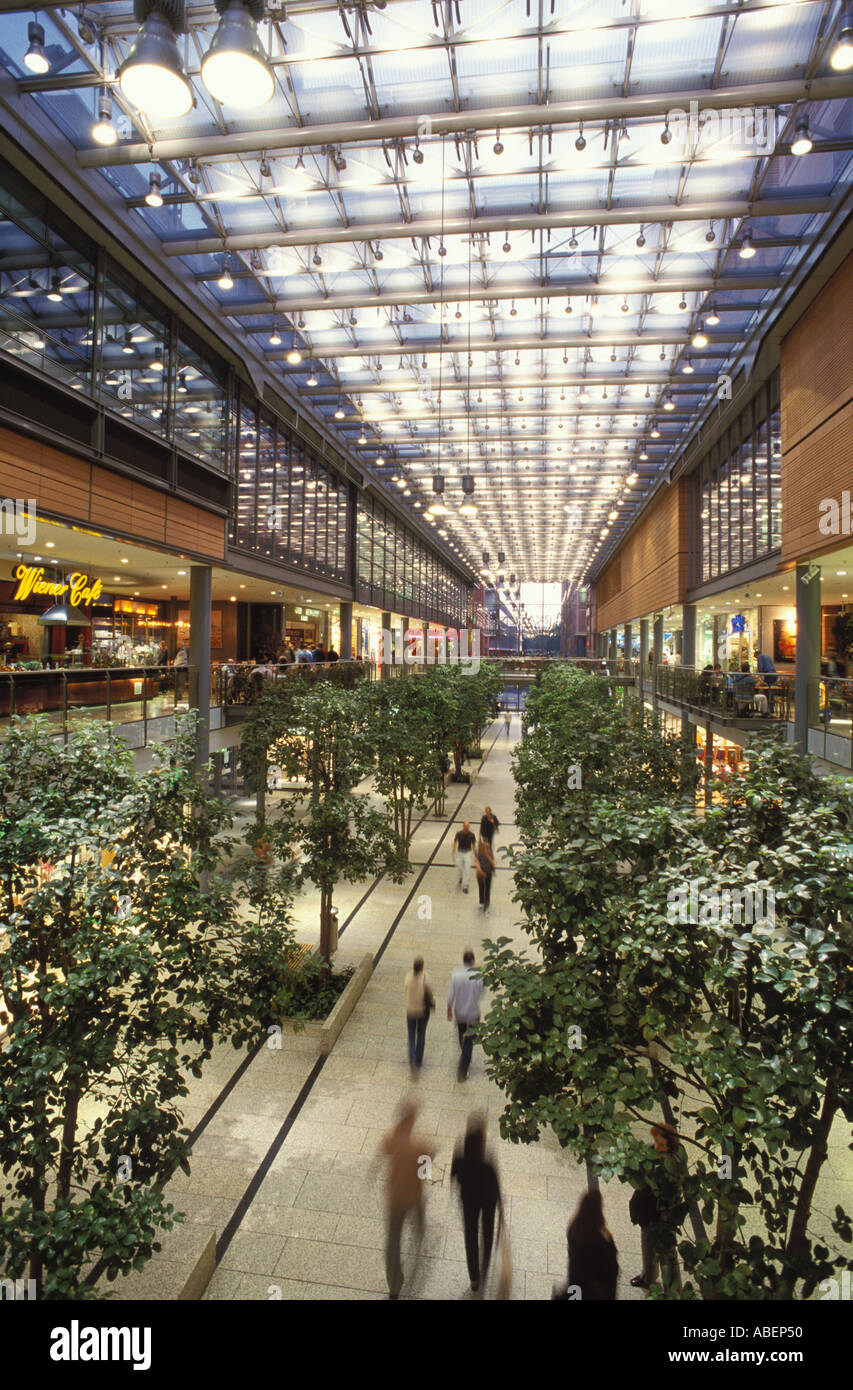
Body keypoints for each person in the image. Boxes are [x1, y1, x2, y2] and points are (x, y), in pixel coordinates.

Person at [377, 1100, 436, 1300]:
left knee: (393, 1240)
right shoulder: (420, 1146)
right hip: (413, 1195)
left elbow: (383, 1154)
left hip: (394, 1196)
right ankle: (419, 1229)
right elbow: (425, 1171)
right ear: (412, 1119)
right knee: (418, 1213)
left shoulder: (390, 1138)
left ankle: (394, 1284)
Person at [629, 1123, 685, 1293]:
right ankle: (648, 1277)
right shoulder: (649, 1150)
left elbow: (675, 1194)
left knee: (667, 1254)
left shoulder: (673, 1165)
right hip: (646, 1210)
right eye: (656, 1142)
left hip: (662, 1215)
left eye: (661, 1145)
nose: (657, 1147)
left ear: (670, 1145)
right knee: (647, 1247)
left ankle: (674, 1291)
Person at [450, 1113, 503, 1292]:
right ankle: (485, 1265)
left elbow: (453, 1176)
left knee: (470, 1236)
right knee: (487, 1232)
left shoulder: (460, 1156)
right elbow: (495, 1184)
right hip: (488, 1202)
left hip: (468, 1201)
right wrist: (501, 1205)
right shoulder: (487, 1160)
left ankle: (474, 1278)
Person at [565, 1189, 619, 1300]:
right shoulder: (602, 1239)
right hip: (595, 1289)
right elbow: (611, 1268)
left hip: (576, 1282)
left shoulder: (574, 1228)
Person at [447, 949, 484, 1082]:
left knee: (462, 1036)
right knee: (470, 1040)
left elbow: (451, 994)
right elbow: (482, 993)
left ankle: (464, 1057)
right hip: (473, 1012)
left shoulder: (456, 974)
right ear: (473, 961)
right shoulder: (479, 975)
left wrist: (449, 1008)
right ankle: (463, 1068)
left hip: (460, 1012)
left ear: (463, 961)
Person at [404, 956, 433, 1071]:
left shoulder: (408, 977)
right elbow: (430, 993)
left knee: (411, 1035)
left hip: (410, 1010)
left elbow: (405, 988)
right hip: (422, 1011)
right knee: (421, 1034)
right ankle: (418, 1060)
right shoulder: (425, 978)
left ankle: (412, 1055)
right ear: (422, 966)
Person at [452, 820, 476, 893]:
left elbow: (474, 845)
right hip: (460, 852)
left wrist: (475, 855)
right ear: (463, 827)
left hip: (468, 853)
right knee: (459, 867)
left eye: (468, 827)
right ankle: (461, 877)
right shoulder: (458, 834)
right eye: (466, 826)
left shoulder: (472, 835)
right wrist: (453, 852)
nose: (467, 828)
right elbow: (455, 842)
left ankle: (465, 886)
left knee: (467, 869)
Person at [475, 836, 496, 916]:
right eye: (486, 848)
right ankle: (481, 901)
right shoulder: (479, 853)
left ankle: (486, 904)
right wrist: (480, 870)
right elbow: (476, 862)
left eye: (488, 848)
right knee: (481, 887)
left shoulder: (490, 854)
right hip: (480, 873)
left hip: (488, 873)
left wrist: (488, 856)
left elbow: (493, 865)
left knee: (487, 888)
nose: (487, 849)